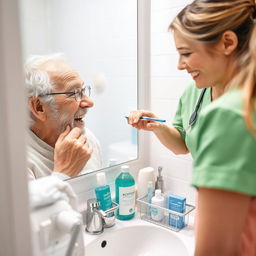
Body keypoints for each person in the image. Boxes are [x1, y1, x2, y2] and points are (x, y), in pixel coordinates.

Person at [127, 0, 256, 254]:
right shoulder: (197, 92)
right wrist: (156, 127)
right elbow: (184, 144)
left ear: (228, 43)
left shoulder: (229, 115)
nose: (179, 64)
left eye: (186, 53)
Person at [25, 53, 102, 180]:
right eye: (75, 93)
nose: (89, 102)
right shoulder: (14, 162)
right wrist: (63, 173)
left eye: (83, 90)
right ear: (39, 107)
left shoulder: (89, 140)